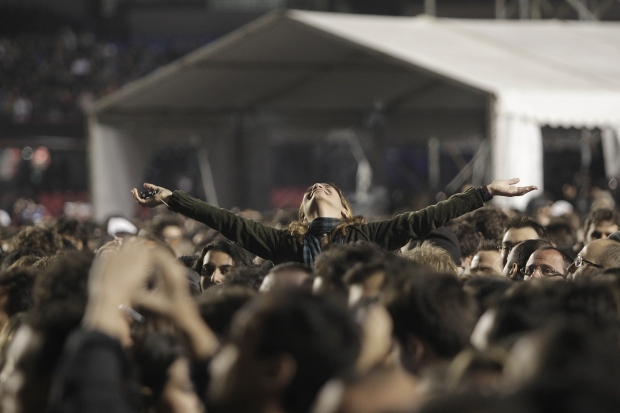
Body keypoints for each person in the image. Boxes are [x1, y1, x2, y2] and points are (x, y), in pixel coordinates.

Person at [132, 180, 537, 266]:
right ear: (302, 214)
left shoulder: (371, 235)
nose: (316, 188)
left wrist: (485, 191)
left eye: (327, 188)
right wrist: (172, 199)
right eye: (309, 192)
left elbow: (429, 217)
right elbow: (225, 221)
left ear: (345, 209)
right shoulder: (285, 245)